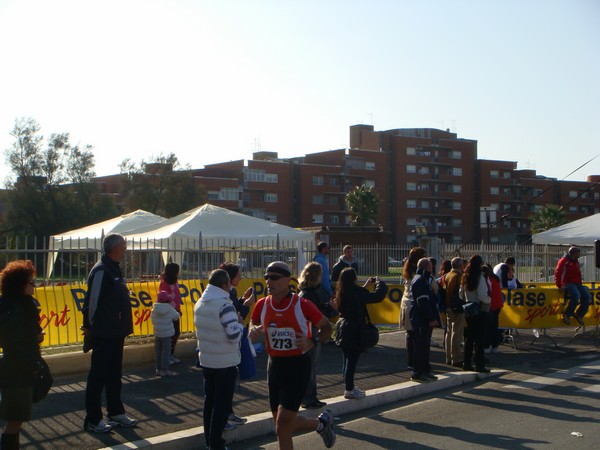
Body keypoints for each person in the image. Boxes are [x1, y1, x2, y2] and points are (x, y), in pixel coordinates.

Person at [249, 261, 336, 449]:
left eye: (274, 278)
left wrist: (313, 341)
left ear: (288, 279)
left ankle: (322, 423)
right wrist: (253, 330)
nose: (269, 282)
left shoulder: (302, 305)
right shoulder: (261, 304)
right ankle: (321, 423)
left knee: (282, 425)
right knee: (282, 426)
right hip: (274, 366)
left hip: (297, 365)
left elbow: (328, 327)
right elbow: (253, 323)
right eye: (266, 278)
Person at [82, 233, 137, 433]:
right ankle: (93, 419)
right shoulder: (101, 271)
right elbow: (92, 304)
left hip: (115, 332)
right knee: (97, 377)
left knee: (114, 375)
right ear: (115, 248)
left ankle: (115, 411)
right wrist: (93, 328)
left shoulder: (114, 268)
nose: (126, 249)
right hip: (104, 333)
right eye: (124, 245)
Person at [194, 269, 245, 450]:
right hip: (225, 361)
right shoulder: (225, 305)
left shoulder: (200, 303)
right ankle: (216, 444)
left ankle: (210, 441)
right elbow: (233, 335)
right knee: (221, 406)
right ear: (224, 285)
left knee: (209, 403)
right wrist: (240, 325)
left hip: (207, 359)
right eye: (229, 284)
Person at [0, 260, 45, 450]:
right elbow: (17, 340)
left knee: (17, 418)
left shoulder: (19, 304)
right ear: (20, 284)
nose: (34, 286)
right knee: (16, 419)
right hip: (18, 368)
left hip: (18, 366)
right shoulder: (16, 307)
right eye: (31, 282)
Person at [334, 267, 388, 398]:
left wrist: (365, 286)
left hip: (342, 326)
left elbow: (357, 296)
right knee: (352, 360)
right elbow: (377, 296)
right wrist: (380, 282)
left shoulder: (341, 291)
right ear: (353, 279)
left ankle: (348, 386)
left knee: (346, 360)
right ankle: (349, 389)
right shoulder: (357, 292)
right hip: (354, 329)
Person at [218, 261, 256, 429]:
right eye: (238, 275)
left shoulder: (229, 294)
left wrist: (242, 301)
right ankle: (223, 416)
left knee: (230, 381)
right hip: (224, 348)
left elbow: (235, 310)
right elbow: (235, 315)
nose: (241, 278)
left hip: (228, 348)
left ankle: (228, 412)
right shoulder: (223, 297)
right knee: (222, 385)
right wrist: (246, 305)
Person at [298, 262, 337, 409]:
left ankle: (310, 396)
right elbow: (317, 315)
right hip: (311, 331)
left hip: (307, 330)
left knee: (310, 367)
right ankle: (309, 398)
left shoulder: (305, 292)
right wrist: (331, 309)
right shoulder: (311, 294)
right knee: (311, 366)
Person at [408, 258, 441, 382]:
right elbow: (422, 301)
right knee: (421, 346)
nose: (432, 268)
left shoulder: (420, 278)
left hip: (420, 317)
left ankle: (425, 370)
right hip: (421, 318)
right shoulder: (421, 280)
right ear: (427, 267)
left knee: (425, 345)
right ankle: (417, 372)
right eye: (431, 266)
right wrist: (430, 318)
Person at [459, 255, 491, 373]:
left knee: (468, 337)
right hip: (479, 308)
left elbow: (460, 294)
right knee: (480, 338)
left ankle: (466, 362)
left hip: (468, 308)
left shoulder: (465, 277)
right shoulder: (480, 278)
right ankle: (479, 364)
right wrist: (489, 300)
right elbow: (483, 296)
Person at [398, 247, 426, 369]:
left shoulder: (407, 268)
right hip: (414, 303)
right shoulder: (419, 272)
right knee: (417, 335)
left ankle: (410, 360)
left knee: (409, 334)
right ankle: (416, 361)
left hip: (405, 302)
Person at [555, 246, 591, 326]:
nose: (579, 254)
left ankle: (579, 314)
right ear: (574, 253)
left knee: (587, 296)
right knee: (576, 295)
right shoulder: (564, 261)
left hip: (577, 283)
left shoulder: (576, 261)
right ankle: (567, 314)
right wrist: (560, 285)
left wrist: (580, 284)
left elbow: (578, 274)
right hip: (567, 283)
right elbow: (558, 273)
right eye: (578, 252)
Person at [150, 290, 180, 377]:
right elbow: (176, 316)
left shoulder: (154, 309)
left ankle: (158, 369)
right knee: (166, 353)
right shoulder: (170, 309)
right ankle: (165, 370)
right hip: (167, 335)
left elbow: (152, 319)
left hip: (157, 334)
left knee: (158, 352)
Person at [159, 262, 183, 365]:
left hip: (176, 311)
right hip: (169, 312)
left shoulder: (175, 281)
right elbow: (165, 299)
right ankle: (167, 356)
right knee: (170, 335)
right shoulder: (164, 283)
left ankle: (171, 354)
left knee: (176, 333)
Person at [443, 257, 466, 367]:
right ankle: (456, 358)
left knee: (449, 332)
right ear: (461, 266)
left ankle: (448, 357)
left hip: (448, 306)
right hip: (456, 307)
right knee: (457, 333)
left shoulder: (447, 275)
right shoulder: (459, 276)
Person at [482, 265, 503, 354]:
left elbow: (487, 293)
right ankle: (495, 346)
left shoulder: (487, 280)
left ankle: (487, 346)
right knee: (495, 326)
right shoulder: (496, 279)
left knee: (487, 328)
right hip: (497, 305)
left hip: (491, 306)